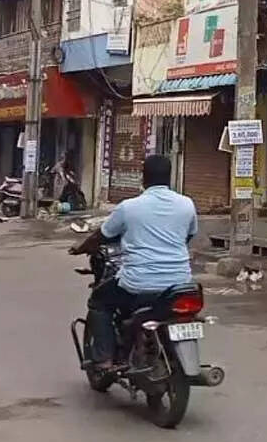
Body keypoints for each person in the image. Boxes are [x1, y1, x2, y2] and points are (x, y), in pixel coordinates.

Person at [70, 154, 197, 370]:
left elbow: (101, 235)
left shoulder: (129, 207)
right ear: (170, 177)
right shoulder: (187, 204)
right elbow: (188, 235)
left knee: (99, 302)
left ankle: (104, 358)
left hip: (139, 284)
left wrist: (82, 248)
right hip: (179, 283)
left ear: (143, 178)